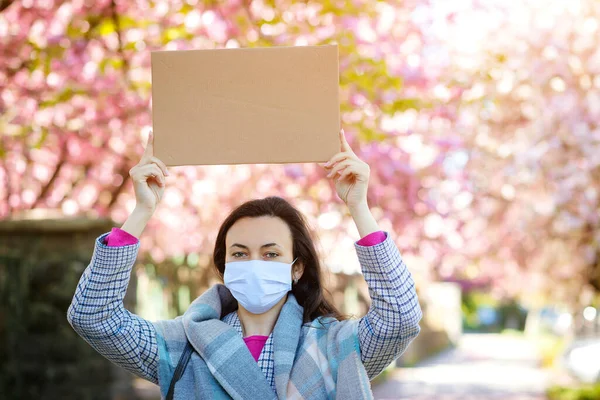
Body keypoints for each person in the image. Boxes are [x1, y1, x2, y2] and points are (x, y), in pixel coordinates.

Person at [67, 129, 423, 399]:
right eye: (239, 253)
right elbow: (93, 316)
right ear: (225, 266)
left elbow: (401, 318)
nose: (254, 263)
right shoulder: (181, 346)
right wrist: (142, 211)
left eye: (271, 254)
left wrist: (358, 207)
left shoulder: (337, 345)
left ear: (296, 268)